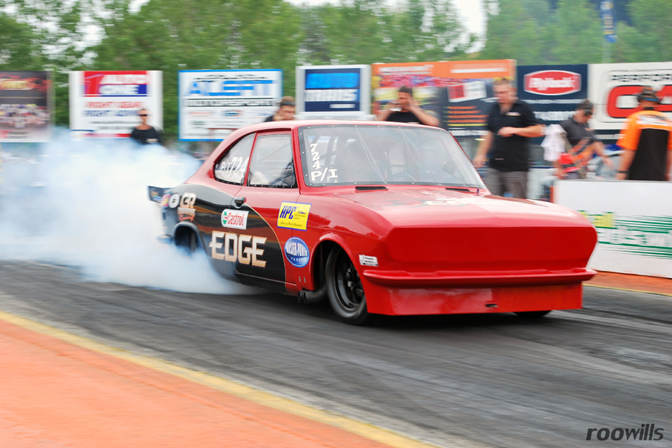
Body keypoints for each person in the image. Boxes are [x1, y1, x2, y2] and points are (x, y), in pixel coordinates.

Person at [473, 78, 543, 198]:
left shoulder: (523, 108)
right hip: (495, 167)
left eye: (503, 92)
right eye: (497, 93)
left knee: (518, 204)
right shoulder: (494, 109)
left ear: (512, 91)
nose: (500, 96)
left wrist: (515, 130)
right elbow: (489, 133)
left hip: (516, 168)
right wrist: (481, 154)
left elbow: (538, 130)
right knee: (491, 202)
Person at [539, 100, 614, 200]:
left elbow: (595, 142)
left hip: (583, 171)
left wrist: (605, 157)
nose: (591, 117)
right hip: (570, 172)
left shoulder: (587, 126)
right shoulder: (566, 125)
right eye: (590, 114)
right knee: (572, 197)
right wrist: (558, 168)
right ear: (582, 111)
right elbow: (554, 147)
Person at [616, 86, 672, 181]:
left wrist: (622, 172)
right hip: (658, 177)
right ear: (656, 103)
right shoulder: (667, 122)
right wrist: (666, 173)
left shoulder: (635, 119)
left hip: (637, 177)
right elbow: (669, 152)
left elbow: (629, 149)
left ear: (640, 101)